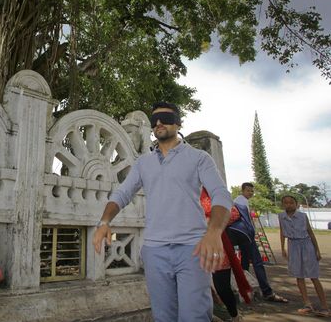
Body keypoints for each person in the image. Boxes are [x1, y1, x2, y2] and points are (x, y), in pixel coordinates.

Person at [92, 102, 233, 322]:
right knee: (163, 317)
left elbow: (221, 195)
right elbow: (121, 194)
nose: (158, 123)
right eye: (154, 119)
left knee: (194, 316)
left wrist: (213, 232)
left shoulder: (199, 158)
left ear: (177, 123)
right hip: (155, 251)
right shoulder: (143, 163)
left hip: (193, 250)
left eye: (166, 118)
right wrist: (104, 222)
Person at [226, 182, 288, 303]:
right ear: (242, 190)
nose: (250, 193)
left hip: (237, 235)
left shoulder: (238, 201)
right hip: (245, 235)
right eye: (248, 190)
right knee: (257, 262)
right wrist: (252, 233)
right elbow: (247, 221)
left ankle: (245, 289)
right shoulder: (240, 201)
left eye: (252, 191)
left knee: (244, 263)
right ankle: (266, 291)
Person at [201, 188, 251, 322]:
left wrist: (209, 219)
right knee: (196, 285)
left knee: (222, 287)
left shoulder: (213, 191)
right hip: (191, 246)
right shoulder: (184, 191)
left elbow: (233, 214)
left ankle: (234, 315)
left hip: (216, 246)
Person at [279, 195, 329, 317]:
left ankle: (325, 307)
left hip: (306, 245)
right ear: (282, 204)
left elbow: (310, 232)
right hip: (293, 245)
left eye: (291, 202)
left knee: (313, 276)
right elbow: (282, 232)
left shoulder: (302, 216)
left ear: (296, 204)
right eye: (286, 203)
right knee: (298, 275)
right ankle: (307, 304)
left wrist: (317, 250)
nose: (288, 205)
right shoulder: (281, 216)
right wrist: (283, 248)